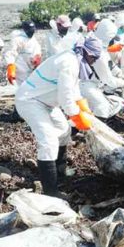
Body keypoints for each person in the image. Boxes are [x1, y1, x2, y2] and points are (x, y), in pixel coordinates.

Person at [14, 36, 102, 198]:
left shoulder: (74, 60)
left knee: (63, 131)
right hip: (30, 100)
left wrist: (83, 108)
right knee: (48, 141)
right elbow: (65, 98)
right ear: (86, 52)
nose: (94, 61)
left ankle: (60, 172)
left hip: (46, 102)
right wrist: (77, 116)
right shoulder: (69, 63)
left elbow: (73, 90)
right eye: (94, 57)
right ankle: (51, 191)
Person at [80, 19, 124, 118]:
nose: (113, 42)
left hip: (88, 83)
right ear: (107, 38)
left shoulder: (94, 44)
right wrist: (123, 82)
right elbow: (109, 81)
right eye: (112, 39)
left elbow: (110, 65)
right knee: (103, 108)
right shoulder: (98, 53)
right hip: (86, 85)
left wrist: (119, 72)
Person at [5, 21, 42, 86]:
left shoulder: (33, 39)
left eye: (33, 30)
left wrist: (37, 56)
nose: (32, 32)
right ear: (25, 29)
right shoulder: (17, 40)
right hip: (20, 67)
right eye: (30, 30)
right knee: (22, 87)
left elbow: (37, 48)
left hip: (31, 66)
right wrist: (10, 65)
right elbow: (10, 53)